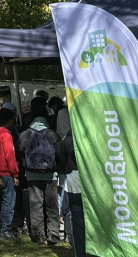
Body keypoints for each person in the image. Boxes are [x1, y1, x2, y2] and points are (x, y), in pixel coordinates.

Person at [20, 97, 61, 245]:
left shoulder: (26, 133)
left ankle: (38, 234)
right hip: (50, 173)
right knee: (52, 204)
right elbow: (60, 151)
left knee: (35, 203)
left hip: (31, 173)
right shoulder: (51, 133)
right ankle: (54, 233)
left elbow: (20, 151)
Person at [56, 108, 85, 257]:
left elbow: (65, 195)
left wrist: (62, 212)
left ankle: (79, 252)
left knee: (78, 228)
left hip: (75, 199)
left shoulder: (66, 140)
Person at [0, 107, 20, 242]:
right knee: (9, 202)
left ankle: (2, 227)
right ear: (10, 121)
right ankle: (5, 229)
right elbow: (9, 155)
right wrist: (15, 173)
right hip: (6, 172)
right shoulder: (6, 135)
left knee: (2, 200)